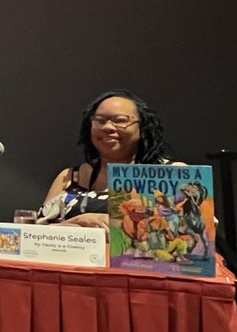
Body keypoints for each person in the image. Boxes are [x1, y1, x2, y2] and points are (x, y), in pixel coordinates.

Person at [38, 89, 172, 229]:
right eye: (100, 121)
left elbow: (182, 233)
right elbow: (36, 236)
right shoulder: (70, 178)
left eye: (120, 120)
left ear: (143, 127)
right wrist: (79, 221)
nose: (107, 127)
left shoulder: (172, 175)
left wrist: (115, 224)